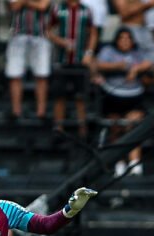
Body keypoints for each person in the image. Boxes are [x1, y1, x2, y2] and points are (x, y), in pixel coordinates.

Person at [93, 27, 151, 176]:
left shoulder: (137, 53)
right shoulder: (108, 51)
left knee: (133, 127)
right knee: (116, 128)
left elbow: (149, 63)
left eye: (128, 38)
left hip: (134, 96)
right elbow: (98, 64)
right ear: (116, 40)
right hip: (113, 96)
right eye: (122, 38)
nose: (125, 41)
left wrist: (135, 69)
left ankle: (134, 162)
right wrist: (118, 66)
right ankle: (118, 161)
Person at [48, 0, 97, 139]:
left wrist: (89, 53)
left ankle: (83, 130)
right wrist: (61, 41)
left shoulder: (86, 10)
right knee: (59, 95)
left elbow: (93, 33)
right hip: (62, 60)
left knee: (80, 96)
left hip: (80, 60)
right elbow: (48, 30)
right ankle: (58, 128)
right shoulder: (58, 9)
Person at [5, 0, 53, 121]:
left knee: (42, 74)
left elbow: (43, 6)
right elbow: (14, 6)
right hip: (17, 35)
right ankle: (16, 111)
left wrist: (24, 2)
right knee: (14, 74)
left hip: (40, 35)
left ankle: (41, 112)